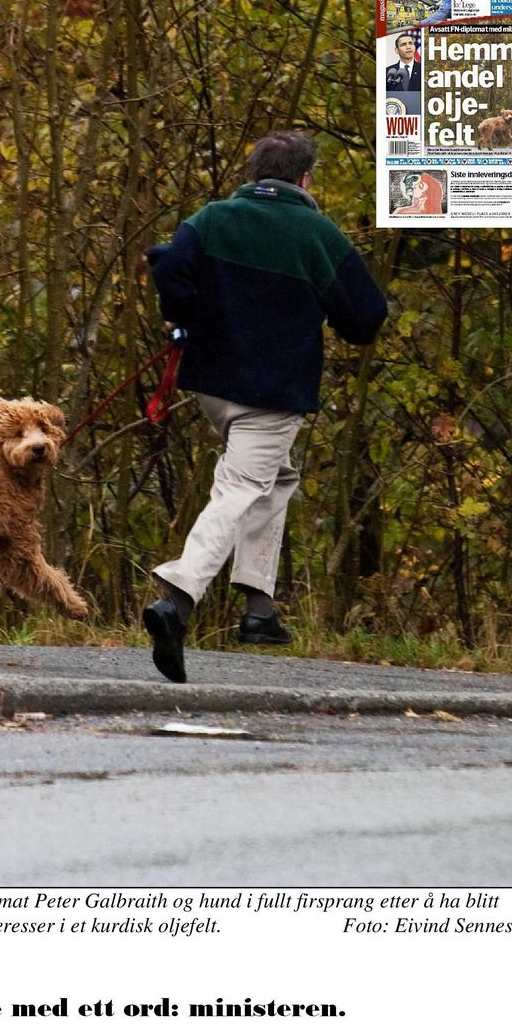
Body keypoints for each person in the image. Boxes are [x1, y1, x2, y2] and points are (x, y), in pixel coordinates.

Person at [143, 132, 388, 684]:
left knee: (274, 477)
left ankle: (259, 610)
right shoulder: (318, 234)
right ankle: (178, 599)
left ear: (255, 174)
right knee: (239, 488)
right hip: (271, 396)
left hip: (211, 387)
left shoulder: (212, 218)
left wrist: (184, 314)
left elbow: (168, 269)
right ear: (304, 180)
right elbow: (366, 318)